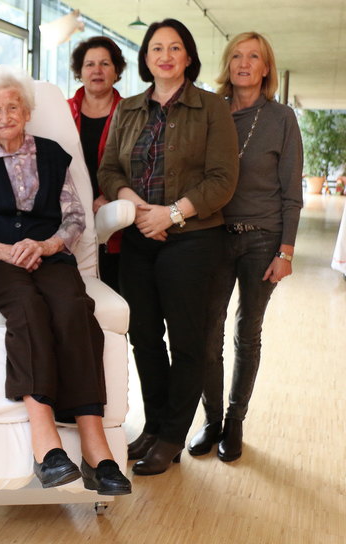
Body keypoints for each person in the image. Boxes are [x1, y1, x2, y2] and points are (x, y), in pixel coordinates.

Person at [0, 65, 131, 496]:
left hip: (48, 257)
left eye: (13, 106)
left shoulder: (52, 154)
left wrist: (46, 246)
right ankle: (46, 444)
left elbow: (74, 218)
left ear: (27, 111)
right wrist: (2, 250)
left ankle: (95, 445)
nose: (5, 114)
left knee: (73, 308)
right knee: (27, 307)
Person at [98, 18, 239, 476]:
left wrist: (171, 214)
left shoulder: (212, 108)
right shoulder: (129, 109)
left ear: (189, 57)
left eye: (174, 47)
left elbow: (223, 180)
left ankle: (174, 435)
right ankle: (154, 424)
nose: (165, 55)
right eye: (156, 48)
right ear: (145, 58)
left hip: (194, 239)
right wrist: (140, 210)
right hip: (140, 237)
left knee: (186, 340)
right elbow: (109, 171)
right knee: (143, 337)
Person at [187, 32, 303, 462]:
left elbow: (292, 193)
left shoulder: (282, 118)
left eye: (254, 57)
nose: (244, 63)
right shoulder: (209, 111)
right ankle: (212, 419)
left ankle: (235, 421)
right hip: (213, 234)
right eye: (236, 55)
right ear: (227, 64)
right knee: (206, 334)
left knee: (246, 334)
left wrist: (285, 252)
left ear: (266, 68)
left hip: (262, 238)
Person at [68, 36, 126, 291]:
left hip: (117, 220)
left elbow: (141, 166)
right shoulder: (63, 111)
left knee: (116, 296)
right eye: (89, 64)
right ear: (80, 72)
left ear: (116, 71)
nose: (97, 70)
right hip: (70, 217)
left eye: (105, 63)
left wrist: (109, 197)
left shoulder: (131, 113)